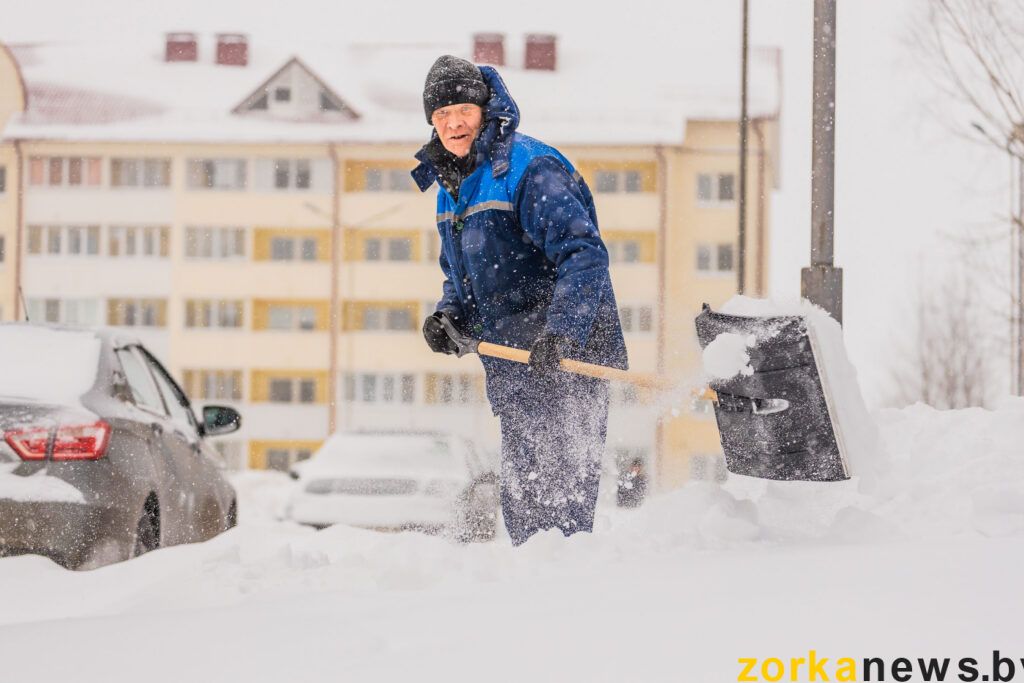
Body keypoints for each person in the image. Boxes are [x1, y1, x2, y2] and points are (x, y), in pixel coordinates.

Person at [413, 55, 628, 546]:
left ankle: (564, 604)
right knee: (525, 500)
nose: (452, 123)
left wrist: (563, 335)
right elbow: (462, 274)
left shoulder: (530, 168)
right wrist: (449, 315)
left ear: (484, 109)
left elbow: (584, 254)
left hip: (567, 356)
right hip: (515, 360)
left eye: (462, 110)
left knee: (561, 502)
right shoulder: (453, 186)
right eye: (440, 115)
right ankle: (532, 605)